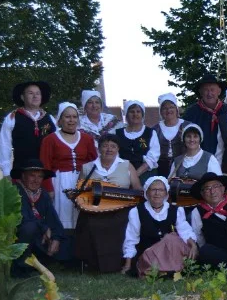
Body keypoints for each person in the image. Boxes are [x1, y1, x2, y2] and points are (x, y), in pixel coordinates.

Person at [74, 134, 142, 273]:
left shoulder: (127, 165)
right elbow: (79, 192)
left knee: (121, 223)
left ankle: (118, 263)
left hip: (120, 211)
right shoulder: (88, 167)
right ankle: (92, 265)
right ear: (99, 148)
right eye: (105, 146)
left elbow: (137, 190)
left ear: (118, 149)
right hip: (94, 210)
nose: (109, 149)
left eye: (113, 146)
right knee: (89, 223)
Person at [121, 177, 198, 277]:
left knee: (172, 239)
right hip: (150, 255)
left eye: (161, 190)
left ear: (166, 193)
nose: (157, 193)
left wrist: (193, 245)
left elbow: (185, 231)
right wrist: (127, 266)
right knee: (170, 238)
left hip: (171, 253)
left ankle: (166, 271)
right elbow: (131, 239)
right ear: (147, 192)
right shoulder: (137, 211)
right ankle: (169, 271)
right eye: (153, 189)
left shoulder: (176, 210)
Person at [39, 102, 97, 230]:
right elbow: (45, 166)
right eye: (67, 117)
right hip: (60, 183)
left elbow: (94, 163)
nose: (71, 120)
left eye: (74, 117)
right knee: (62, 222)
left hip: (82, 182)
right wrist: (49, 189)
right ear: (60, 119)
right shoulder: (50, 139)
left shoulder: (87, 139)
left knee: (83, 222)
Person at [10, 159, 67, 278]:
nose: (36, 180)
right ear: (23, 176)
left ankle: (40, 262)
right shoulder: (15, 191)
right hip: (17, 239)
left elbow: (53, 219)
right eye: (32, 176)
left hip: (39, 238)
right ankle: (20, 267)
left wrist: (56, 238)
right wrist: (44, 228)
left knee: (67, 243)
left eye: (40, 177)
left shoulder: (43, 193)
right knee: (29, 227)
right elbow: (23, 218)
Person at [0, 80, 56, 178]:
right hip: (22, 172)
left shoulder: (50, 119)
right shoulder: (13, 117)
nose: (35, 96)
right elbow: (4, 144)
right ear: (22, 97)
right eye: (30, 93)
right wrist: (6, 172)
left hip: (46, 172)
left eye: (38, 93)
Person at [183, 75, 227, 154]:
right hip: (198, 158)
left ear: (219, 91)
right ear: (201, 92)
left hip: (224, 159)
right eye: (206, 90)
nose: (209, 93)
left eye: (212, 90)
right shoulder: (191, 113)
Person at [116, 100, 160, 184]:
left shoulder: (150, 132)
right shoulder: (118, 133)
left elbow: (153, 157)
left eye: (138, 111)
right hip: (123, 173)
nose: (135, 114)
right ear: (126, 114)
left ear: (142, 114)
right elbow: (115, 155)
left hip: (146, 174)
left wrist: (135, 175)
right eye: (132, 111)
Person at [153, 93, 191, 177]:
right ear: (161, 111)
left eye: (171, 107)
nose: (168, 110)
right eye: (164, 108)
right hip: (160, 168)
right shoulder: (155, 129)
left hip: (183, 165)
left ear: (176, 109)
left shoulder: (187, 126)